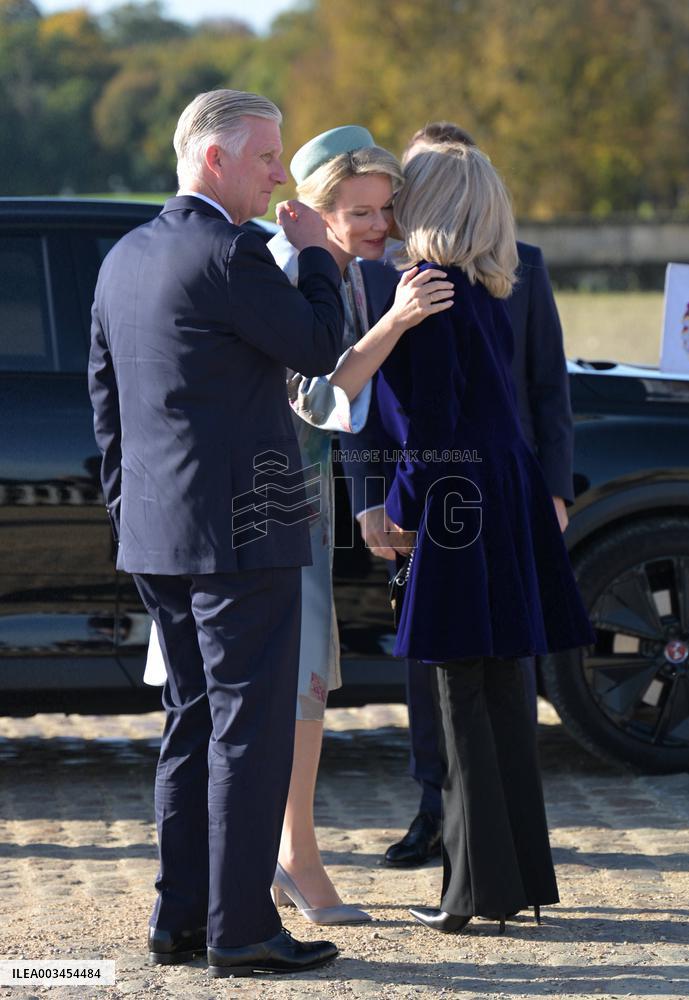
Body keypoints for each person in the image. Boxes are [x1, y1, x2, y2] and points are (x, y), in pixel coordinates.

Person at [143, 125, 454, 924]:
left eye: (385, 209)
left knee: (299, 695)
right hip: (261, 516)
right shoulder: (290, 270)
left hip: (298, 508)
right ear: (314, 213)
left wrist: (364, 500)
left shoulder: (351, 274)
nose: (380, 226)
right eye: (361, 212)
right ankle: (290, 864)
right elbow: (315, 397)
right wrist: (394, 326)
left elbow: (343, 416)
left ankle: (282, 863)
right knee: (287, 698)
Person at [88, 89, 346, 979]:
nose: (280, 173)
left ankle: (179, 921)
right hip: (243, 537)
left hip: (157, 537)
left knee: (191, 722)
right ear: (214, 160)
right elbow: (317, 345)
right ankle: (240, 930)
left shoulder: (123, 256)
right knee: (249, 731)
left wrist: (130, 519)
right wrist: (316, 254)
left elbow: (106, 410)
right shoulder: (233, 251)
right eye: (268, 156)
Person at [373, 140, 596, 933]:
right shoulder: (484, 284)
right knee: (503, 687)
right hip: (504, 488)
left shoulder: (426, 290)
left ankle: (470, 890)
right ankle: (516, 882)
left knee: (461, 689)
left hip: (456, 495)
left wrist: (398, 510)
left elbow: (430, 420)